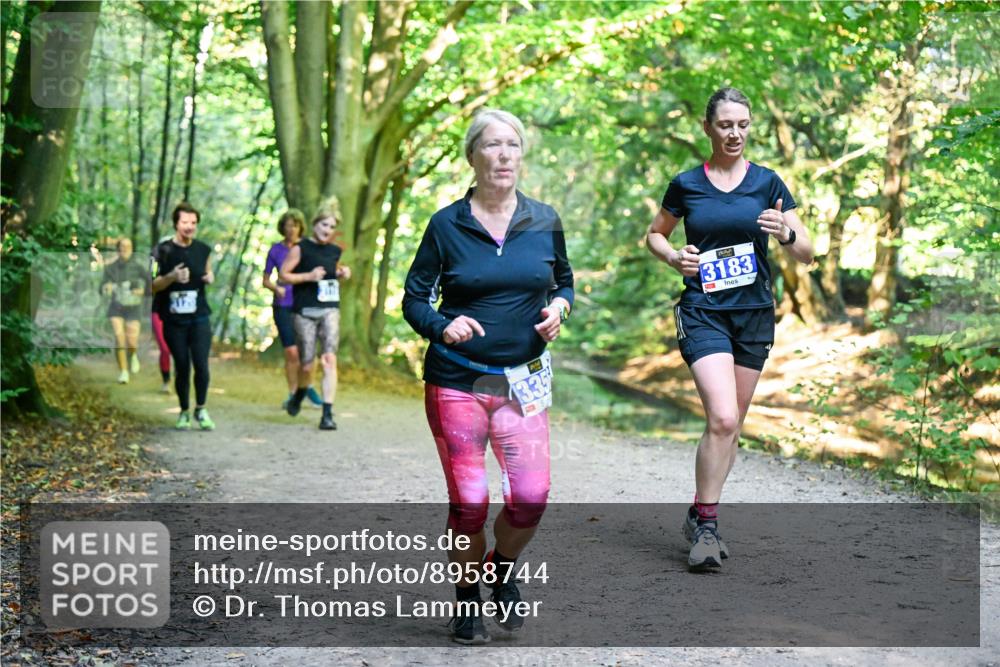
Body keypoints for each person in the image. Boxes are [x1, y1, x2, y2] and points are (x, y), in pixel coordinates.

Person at [402, 109, 573, 644]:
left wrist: (561, 309)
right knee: (470, 503)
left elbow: (564, 282)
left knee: (530, 499)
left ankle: (500, 568)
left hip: (522, 383)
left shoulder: (544, 219)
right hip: (457, 381)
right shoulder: (446, 224)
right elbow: (413, 298)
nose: (504, 155)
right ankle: (467, 599)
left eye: (513, 145)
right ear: (473, 156)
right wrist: (441, 324)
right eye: (493, 145)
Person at [645, 87, 814, 571]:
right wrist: (675, 257)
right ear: (708, 128)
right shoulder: (686, 184)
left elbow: (808, 251)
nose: (734, 132)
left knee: (731, 424)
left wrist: (786, 231)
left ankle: (701, 513)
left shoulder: (768, 183)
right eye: (725, 124)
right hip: (703, 311)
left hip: (754, 314)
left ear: (750, 126)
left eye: (742, 124)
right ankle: (708, 528)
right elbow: (656, 234)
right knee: (721, 418)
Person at [279, 209, 351, 430]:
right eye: (324, 225)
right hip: (304, 312)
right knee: (307, 365)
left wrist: (342, 274)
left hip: (329, 309)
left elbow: (333, 272)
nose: (327, 230)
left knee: (329, 359)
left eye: (331, 227)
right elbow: (283, 275)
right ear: (314, 224)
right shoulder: (301, 249)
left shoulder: (334, 251)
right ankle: (300, 392)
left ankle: (327, 414)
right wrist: (307, 276)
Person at [151, 202, 216, 430]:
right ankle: (184, 411)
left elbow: (209, 272)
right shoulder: (161, 250)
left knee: (201, 364)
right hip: (173, 318)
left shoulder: (202, 249)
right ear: (176, 223)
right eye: (185, 222)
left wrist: (210, 278)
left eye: (193, 223)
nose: (189, 227)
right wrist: (172, 277)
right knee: (182, 364)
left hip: (199, 316)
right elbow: (151, 285)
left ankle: (201, 408)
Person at [263, 209, 324, 410]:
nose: (291, 229)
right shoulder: (275, 250)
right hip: (282, 306)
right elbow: (265, 280)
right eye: (288, 225)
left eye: (295, 225)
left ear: (300, 227)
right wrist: (276, 287)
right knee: (291, 352)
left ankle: (308, 388)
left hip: (305, 304)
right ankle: (292, 393)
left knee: (309, 352)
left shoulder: (307, 247)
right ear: (283, 227)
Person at [100, 238, 147, 384]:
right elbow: (101, 287)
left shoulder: (138, 267)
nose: (125, 249)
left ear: (132, 249)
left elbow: (151, 283)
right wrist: (105, 288)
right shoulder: (110, 268)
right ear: (118, 249)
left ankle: (132, 355)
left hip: (133, 307)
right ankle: (123, 371)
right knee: (119, 338)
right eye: (122, 246)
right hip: (116, 307)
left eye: (128, 246)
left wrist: (143, 291)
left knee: (132, 341)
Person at [150, 236, 173, 393]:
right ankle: (166, 380)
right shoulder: (155, 266)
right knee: (165, 348)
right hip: (158, 310)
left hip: (178, 313)